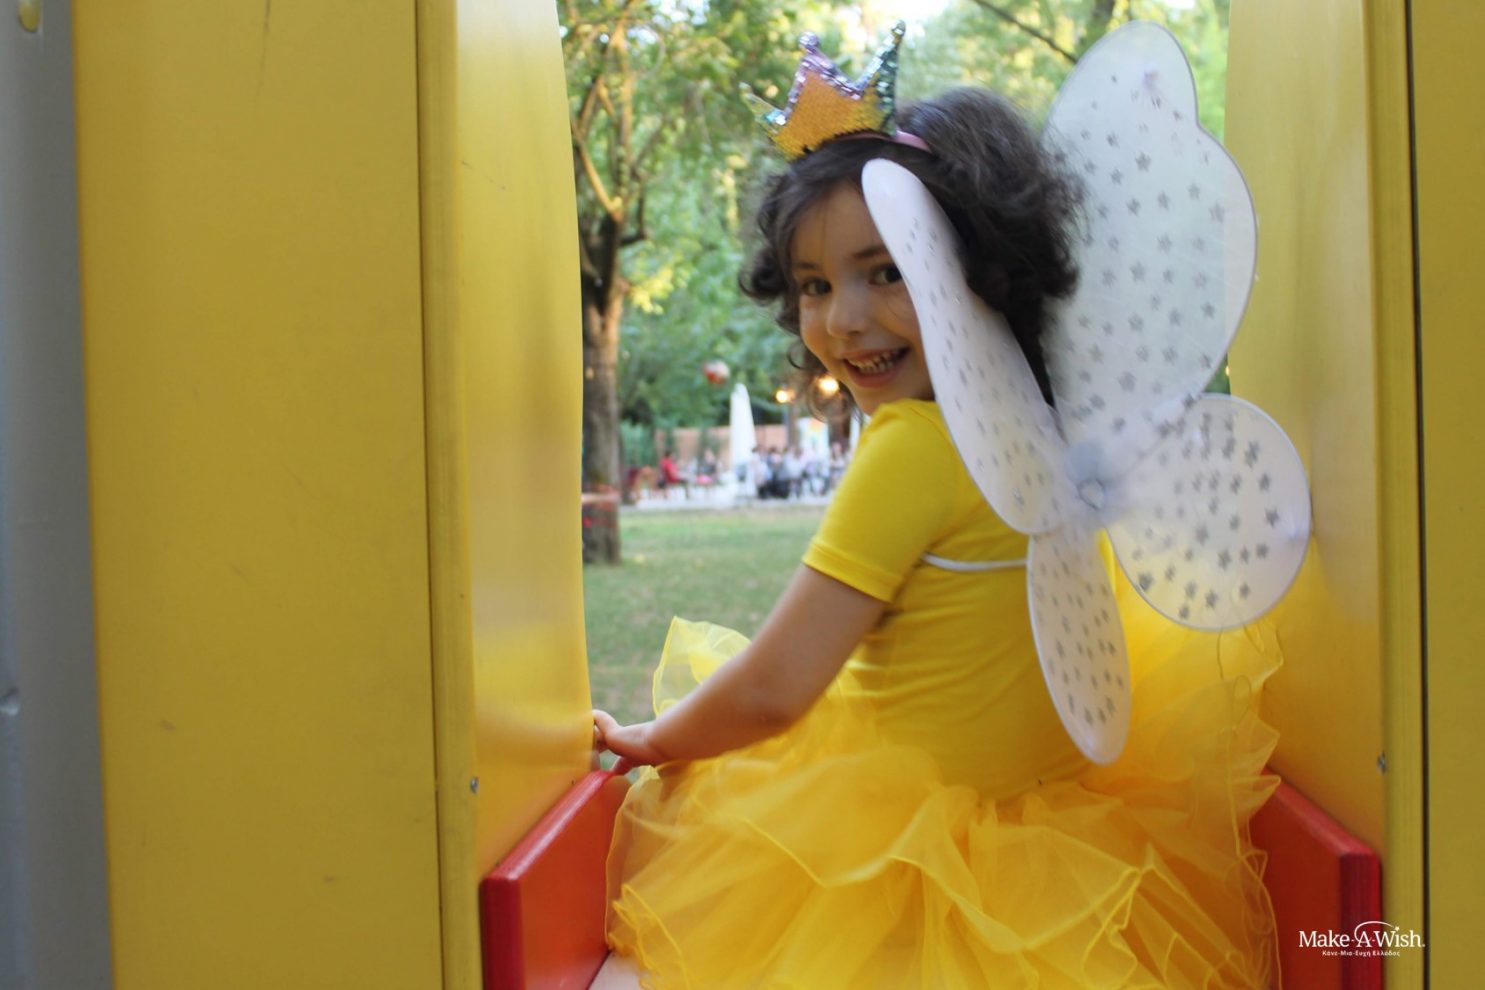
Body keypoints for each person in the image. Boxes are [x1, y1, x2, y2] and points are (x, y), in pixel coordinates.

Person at [594, 29, 1279, 990]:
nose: (845, 320)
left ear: (977, 268)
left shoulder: (911, 448)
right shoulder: (1034, 419)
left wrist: (655, 742)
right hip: (1063, 840)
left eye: (887, 271)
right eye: (814, 285)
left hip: (929, 866)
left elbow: (774, 689)